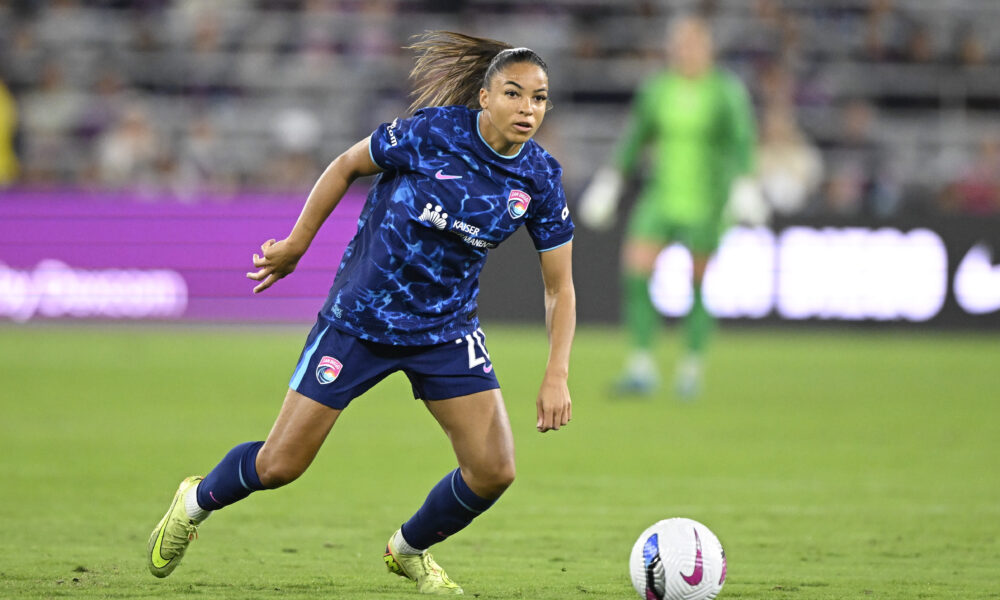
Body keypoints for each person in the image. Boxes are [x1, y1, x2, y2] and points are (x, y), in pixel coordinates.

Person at [146, 31, 576, 596]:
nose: (527, 109)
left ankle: (408, 550)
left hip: (445, 332)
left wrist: (556, 372)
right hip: (360, 320)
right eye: (515, 94)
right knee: (280, 466)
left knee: (494, 470)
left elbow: (560, 287)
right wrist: (297, 245)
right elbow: (346, 165)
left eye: (539, 98)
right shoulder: (431, 133)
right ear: (485, 97)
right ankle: (195, 500)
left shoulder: (539, 177)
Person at [578, 16, 756, 398]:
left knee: (698, 282)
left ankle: (691, 367)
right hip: (661, 194)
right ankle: (642, 364)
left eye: (693, 43)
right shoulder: (658, 89)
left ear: (707, 48)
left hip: (707, 198)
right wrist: (612, 180)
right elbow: (636, 137)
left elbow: (739, 139)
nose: (686, 51)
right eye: (680, 44)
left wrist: (743, 182)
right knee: (636, 270)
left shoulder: (724, 91)